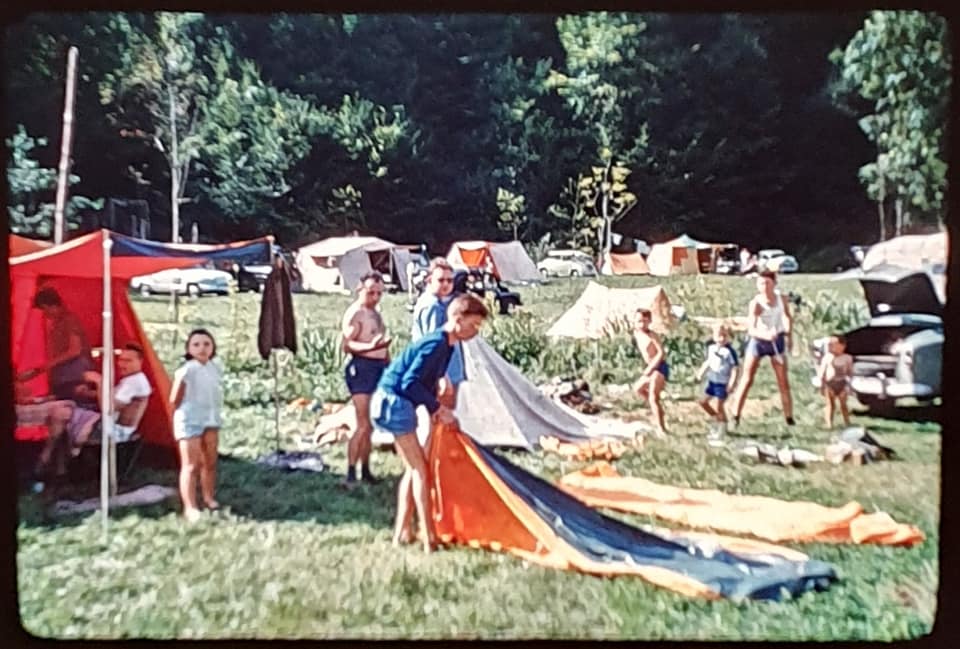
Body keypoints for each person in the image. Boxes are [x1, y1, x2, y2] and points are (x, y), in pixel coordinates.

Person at [371, 293, 490, 554]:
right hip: (393, 402)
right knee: (420, 470)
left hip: (395, 402)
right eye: (474, 324)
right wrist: (438, 409)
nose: (475, 331)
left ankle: (402, 533)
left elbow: (423, 380)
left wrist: (438, 387)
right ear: (458, 319)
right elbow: (408, 383)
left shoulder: (448, 345)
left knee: (412, 469)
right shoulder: (436, 343)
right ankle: (429, 538)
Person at [340, 272, 391, 487]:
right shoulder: (356, 314)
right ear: (360, 289)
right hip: (361, 369)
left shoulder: (375, 312)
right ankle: (350, 472)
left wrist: (389, 362)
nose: (375, 297)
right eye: (371, 292)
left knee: (370, 425)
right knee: (362, 424)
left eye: (379, 293)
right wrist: (370, 348)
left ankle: (366, 469)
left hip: (379, 368)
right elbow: (347, 345)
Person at [170, 329, 223, 522]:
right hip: (190, 419)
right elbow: (174, 398)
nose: (202, 349)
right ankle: (190, 506)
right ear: (189, 349)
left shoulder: (215, 367)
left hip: (211, 418)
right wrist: (183, 413)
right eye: (196, 345)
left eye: (206, 344)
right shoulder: (186, 370)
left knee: (209, 462)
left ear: (213, 347)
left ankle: (209, 497)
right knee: (191, 465)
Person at [730, 270, 795, 427]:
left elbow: (787, 316)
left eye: (767, 283)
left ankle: (789, 418)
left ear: (774, 283)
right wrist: (765, 335)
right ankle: (735, 416)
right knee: (747, 379)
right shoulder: (756, 303)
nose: (764, 287)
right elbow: (751, 329)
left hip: (776, 340)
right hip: (759, 341)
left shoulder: (781, 299)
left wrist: (788, 335)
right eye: (761, 283)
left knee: (783, 381)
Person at [16, 286, 94, 401]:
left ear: (52, 306)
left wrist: (45, 367)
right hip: (62, 374)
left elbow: (75, 350)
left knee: (73, 402)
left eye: (45, 309)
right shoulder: (57, 323)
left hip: (75, 372)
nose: (45, 314)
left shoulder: (70, 320)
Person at [71, 342, 154, 450]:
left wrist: (99, 381)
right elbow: (111, 395)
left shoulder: (135, 383)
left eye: (128, 361)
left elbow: (108, 408)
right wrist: (88, 393)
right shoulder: (131, 380)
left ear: (140, 362)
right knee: (68, 408)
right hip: (111, 425)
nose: (122, 364)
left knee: (64, 415)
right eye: (121, 360)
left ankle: (65, 455)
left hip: (115, 432)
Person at [412, 258, 464, 413]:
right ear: (429, 280)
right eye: (441, 280)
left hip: (449, 368)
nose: (446, 284)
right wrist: (441, 375)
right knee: (442, 416)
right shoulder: (432, 306)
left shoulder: (439, 303)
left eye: (449, 280)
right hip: (441, 373)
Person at [695, 323, 741, 445]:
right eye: (718, 336)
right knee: (703, 402)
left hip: (723, 383)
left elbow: (735, 368)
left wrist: (732, 383)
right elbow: (708, 362)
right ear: (714, 336)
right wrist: (701, 373)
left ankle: (721, 430)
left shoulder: (729, 352)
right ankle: (717, 419)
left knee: (720, 406)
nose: (721, 339)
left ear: (728, 337)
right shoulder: (711, 348)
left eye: (724, 336)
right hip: (712, 381)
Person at [632, 308, 669, 438]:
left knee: (653, 396)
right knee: (638, 389)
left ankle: (661, 429)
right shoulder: (636, 333)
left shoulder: (652, 335)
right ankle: (657, 410)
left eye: (644, 321)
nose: (642, 324)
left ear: (649, 322)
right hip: (650, 367)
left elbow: (661, 353)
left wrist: (651, 368)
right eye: (639, 321)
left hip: (659, 367)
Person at [817, 334, 854, 429]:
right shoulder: (827, 357)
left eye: (833, 344)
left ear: (842, 346)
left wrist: (849, 386)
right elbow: (822, 372)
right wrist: (821, 384)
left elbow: (850, 373)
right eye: (829, 344)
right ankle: (829, 424)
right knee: (830, 405)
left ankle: (847, 422)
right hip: (830, 384)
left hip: (842, 383)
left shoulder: (847, 358)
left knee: (843, 404)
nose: (830, 346)